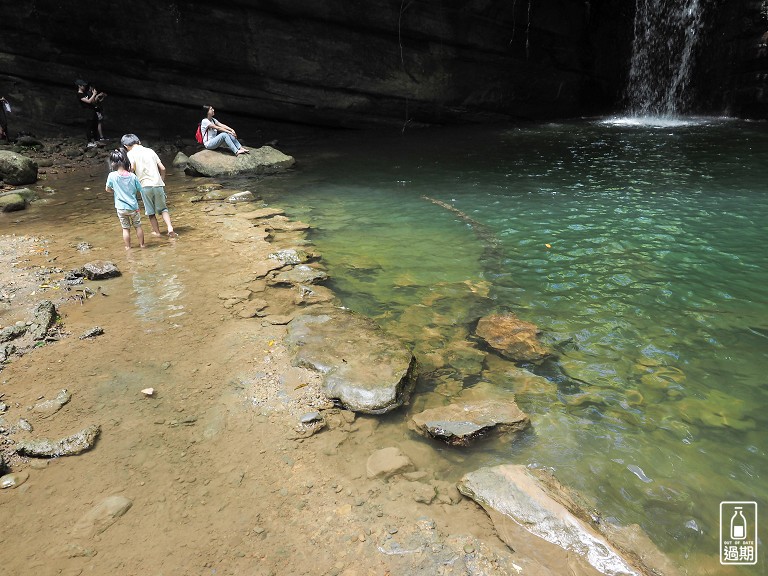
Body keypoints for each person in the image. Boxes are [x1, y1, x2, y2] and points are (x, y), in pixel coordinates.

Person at [121, 133, 178, 238]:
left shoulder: (130, 154)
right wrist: (161, 180)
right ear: (139, 141)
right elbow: (163, 168)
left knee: (151, 212)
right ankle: (170, 228)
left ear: (126, 146)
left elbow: (132, 168)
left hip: (144, 186)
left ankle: (157, 232)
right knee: (163, 209)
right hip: (158, 184)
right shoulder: (150, 151)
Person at [105, 148, 146, 250]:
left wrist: (116, 191)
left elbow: (107, 189)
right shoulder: (132, 176)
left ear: (113, 163)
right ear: (126, 161)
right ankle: (142, 245)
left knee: (125, 229)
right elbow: (140, 189)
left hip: (120, 208)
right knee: (138, 226)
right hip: (133, 207)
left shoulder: (112, 176)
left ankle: (128, 247)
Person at [76, 79, 106, 147]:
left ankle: (96, 141)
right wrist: (95, 94)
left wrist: (98, 97)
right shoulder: (79, 94)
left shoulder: (85, 93)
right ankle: (89, 142)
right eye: (83, 86)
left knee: (95, 126)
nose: (84, 87)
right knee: (89, 127)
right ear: (79, 86)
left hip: (93, 111)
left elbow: (93, 102)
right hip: (87, 111)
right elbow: (88, 101)